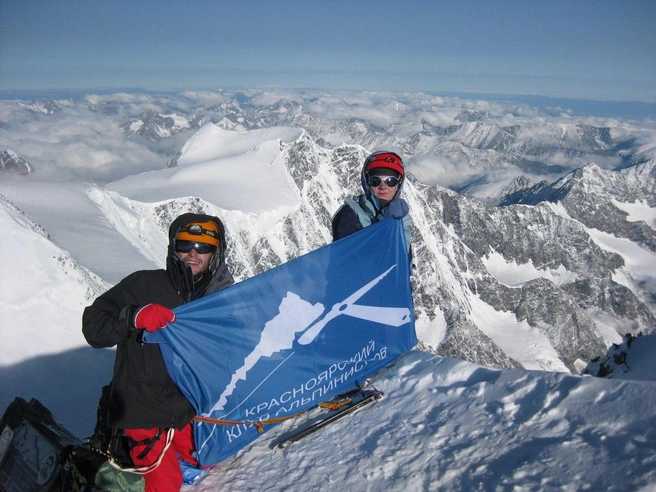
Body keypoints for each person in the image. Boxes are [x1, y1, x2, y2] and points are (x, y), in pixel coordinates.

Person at [82, 213, 234, 492]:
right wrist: (133, 318)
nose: (192, 253)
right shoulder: (144, 286)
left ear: (216, 253)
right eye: (185, 244)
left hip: (187, 408)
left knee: (211, 458)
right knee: (166, 484)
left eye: (203, 247)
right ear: (173, 247)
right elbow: (93, 327)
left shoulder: (219, 300)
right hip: (142, 409)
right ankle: (102, 474)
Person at [332, 150, 413, 251]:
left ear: (398, 184)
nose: (383, 186)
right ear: (367, 183)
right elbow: (348, 259)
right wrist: (382, 226)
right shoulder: (351, 214)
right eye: (375, 181)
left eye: (390, 181)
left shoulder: (402, 219)